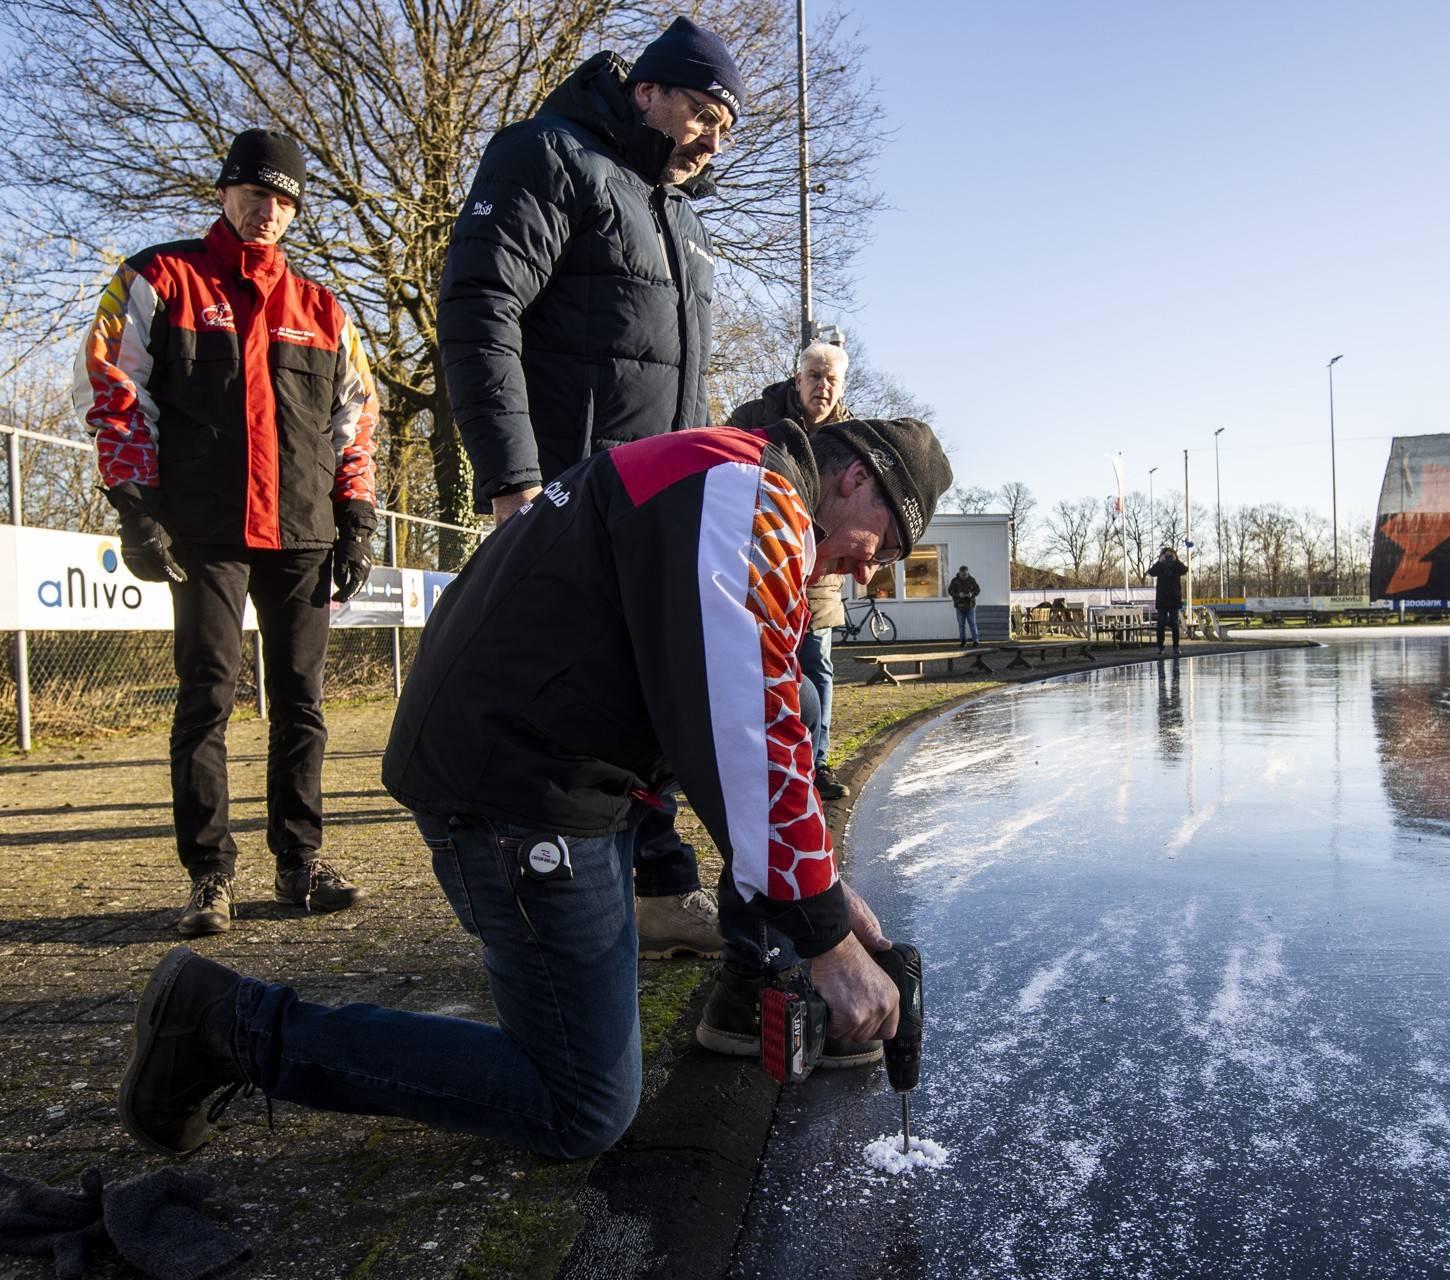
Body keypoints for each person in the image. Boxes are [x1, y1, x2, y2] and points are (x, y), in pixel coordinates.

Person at [115, 418, 952, 1162]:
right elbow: (749, 733)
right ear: (855, 479)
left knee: (591, 1044)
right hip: (518, 789)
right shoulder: (751, 496)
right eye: (886, 540)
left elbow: (738, 708)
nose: (871, 571)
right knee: (581, 1104)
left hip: (544, 760)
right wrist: (826, 942)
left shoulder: (720, 471)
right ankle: (230, 1026)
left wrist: (825, 892)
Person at [438, 16, 747, 957]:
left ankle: (655, 888)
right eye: (703, 112)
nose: (711, 138)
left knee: (643, 696)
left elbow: (676, 379)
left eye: (727, 128)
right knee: (569, 697)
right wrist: (513, 480)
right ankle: (535, 896)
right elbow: (480, 305)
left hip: (650, 504)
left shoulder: (682, 220)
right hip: (566, 492)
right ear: (649, 88)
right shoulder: (548, 154)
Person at [73, 129, 378, 938]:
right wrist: (134, 505)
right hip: (204, 531)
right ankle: (209, 875)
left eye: (285, 199)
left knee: (302, 703)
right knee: (206, 700)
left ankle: (300, 862)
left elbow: (355, 422)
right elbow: (114, 391)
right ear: (224, 191)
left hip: (305, 531)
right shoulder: (158, 276)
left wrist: (359, 515)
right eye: (255, 192)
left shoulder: (324, 307)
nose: (268, 210)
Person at [728, 340, 853, 798]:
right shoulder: (756, 416)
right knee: (757, 662)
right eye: (814, 376)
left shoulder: (851, 437)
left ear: (841, 387)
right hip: (759, 564)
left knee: (816, 663)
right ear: (798, 379)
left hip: (819, 572)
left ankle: (815, 764)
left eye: (831, 379)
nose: (822, 386)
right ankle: (761, 762)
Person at [1147, 547, 1189, 654]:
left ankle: (1176, 646)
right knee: (1160, 624)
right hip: (1162, 599)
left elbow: (1185, 569)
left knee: (1174, 624)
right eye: (1166, 556)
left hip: (1174, 599)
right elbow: (1151, 572)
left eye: (1170, 556)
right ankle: (1160, 646)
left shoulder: (1176, 566)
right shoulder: (1160, 566)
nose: (1168, 558)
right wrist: (1159, 562)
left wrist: (1176, 560)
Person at [948, 564, 981, 645]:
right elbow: (950, 591)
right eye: (963, 575)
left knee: (972, 624)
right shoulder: (954, 581)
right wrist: (958, 594)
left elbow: (978, 590)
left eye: (966, 575)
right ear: (959, 573)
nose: (964, 576)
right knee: (961, 625)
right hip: (959, 606)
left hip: (970, 606)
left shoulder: (972, 580)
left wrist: (972, 594)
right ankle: (963, 641)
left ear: (968, 573)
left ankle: (976, 641)